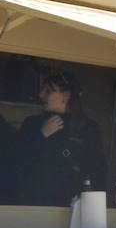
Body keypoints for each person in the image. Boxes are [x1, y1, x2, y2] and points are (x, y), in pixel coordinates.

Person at [15, 69, 106, 206]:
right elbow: (17, 163)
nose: (41, 95)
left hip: (72, 208)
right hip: (33, 205)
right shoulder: (32, 123)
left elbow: (98, 172)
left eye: (48, 91)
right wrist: (41, 135)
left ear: (66, 95)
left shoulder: (88, 128)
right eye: (42, 90)